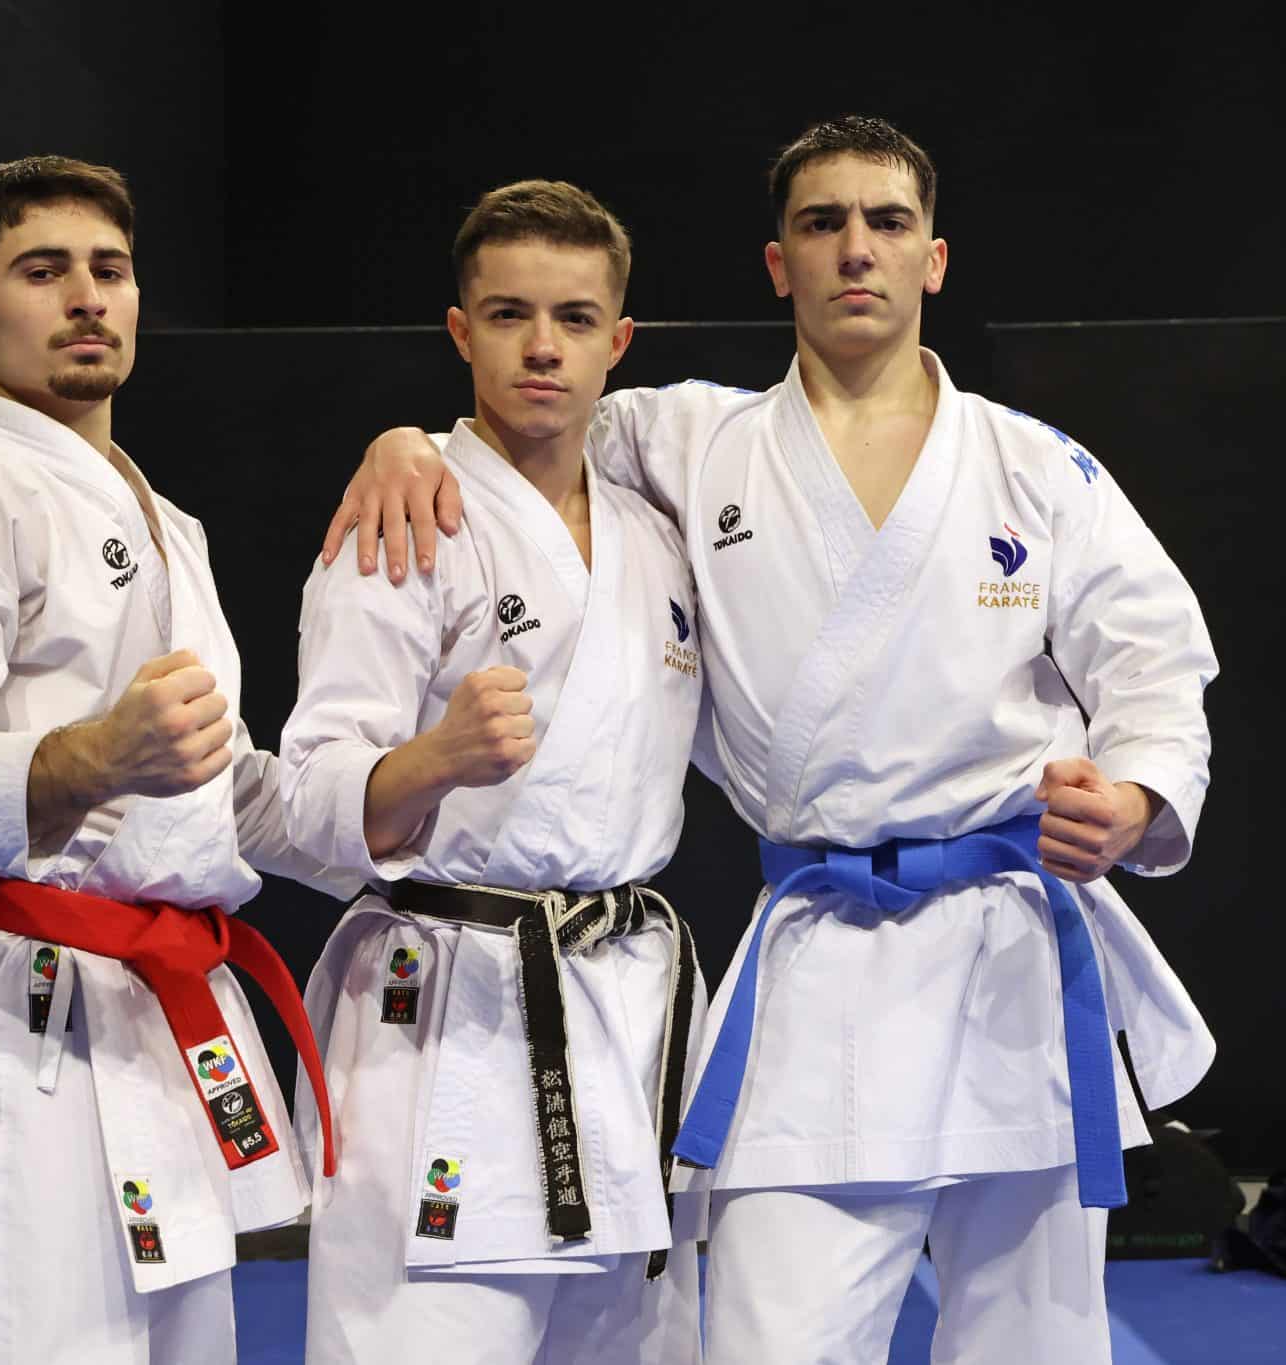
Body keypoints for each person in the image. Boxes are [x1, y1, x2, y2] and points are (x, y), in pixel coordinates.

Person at [325, 115, 1221, 1363]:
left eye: (886, 222)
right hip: (820, 957)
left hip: (1007, 954)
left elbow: (1157, 661)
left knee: (1031, 1340)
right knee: (767, 1337)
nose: (855, 249)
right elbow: (524, 423)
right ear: (777, 262)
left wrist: (1132, 798)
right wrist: (405, 444)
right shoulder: (688, 440)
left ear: (932, 259)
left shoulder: (1034, 466)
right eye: (821, 223)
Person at [0, 156, 345, 1365]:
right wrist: (95, 757)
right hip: (17, 1027)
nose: (85, 297)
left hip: (164, 1020)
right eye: (41, 270)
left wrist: (409, 788)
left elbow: (218, 791)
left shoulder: (168, 522)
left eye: (109, 269)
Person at [279, 180, 707, 1365]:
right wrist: (434, 760)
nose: (542, 347)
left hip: (625, 1010)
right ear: (460, 332)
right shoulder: (407, 517)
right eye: (509, 315)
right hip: (449, 1016)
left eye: (574, 319)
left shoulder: (657, 534)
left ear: (619, 342)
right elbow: (305, 796)